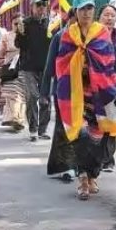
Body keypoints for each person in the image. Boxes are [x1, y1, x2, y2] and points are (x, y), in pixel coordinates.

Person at [54, 0, 116, 201]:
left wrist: (91, 64)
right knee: (80, 136)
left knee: (98, 140)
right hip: (75, 96)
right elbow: (61, 63)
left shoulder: (101, 34)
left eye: (90, 8)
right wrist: (77, 62)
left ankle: (93, 174)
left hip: (98, 96)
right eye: (82, 9)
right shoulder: (67, 35)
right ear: (75, 11)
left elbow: (109, 61)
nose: (86, 13)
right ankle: (82, 177)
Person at [43, 9, 77, 182]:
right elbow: (50, 66)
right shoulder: (59, 37)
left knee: (75, 128)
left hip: (80, 91)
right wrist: (44, 93)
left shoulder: (87, 38)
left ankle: (68, 164)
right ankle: (67, 166)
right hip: (61, 91)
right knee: (63, 128)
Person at [16, 0, 51, 142]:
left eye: (44, 4)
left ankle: (42, 129)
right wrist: (21, 33)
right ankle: (33, 128)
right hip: (28, 67)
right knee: (32, 97)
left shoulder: (50, 23)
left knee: (45, 99)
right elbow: (19, 44)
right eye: (38, 5)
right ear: (32, 7)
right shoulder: (25, 23)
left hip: (46, 66)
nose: (41, 8)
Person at [98, 4, 116, 172]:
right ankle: (96, 158)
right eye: (106, 15)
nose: (109, 18)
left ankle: (108, 159)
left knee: (112, 122)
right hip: (96, 84)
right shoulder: (93, 36)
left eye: (112, 15)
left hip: (114, 85)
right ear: (99, 18)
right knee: (97, 122)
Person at [0, 13, 27, 132]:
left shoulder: (27, 35)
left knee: (21, 94)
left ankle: (18, 119)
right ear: (11, 24)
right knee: (11, 93)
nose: (17, 26)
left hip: (23, 67)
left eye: (20, 23)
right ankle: (11, 118)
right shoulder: (6, 36)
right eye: (15, 23)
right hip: (10, 68)